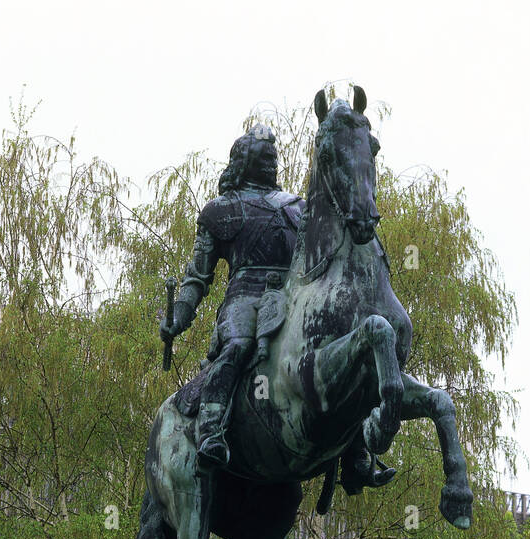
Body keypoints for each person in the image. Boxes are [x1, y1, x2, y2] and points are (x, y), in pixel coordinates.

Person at [161, 123, 393, 493]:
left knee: (342, 353)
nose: (272, 161)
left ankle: (355, 453)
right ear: (243, 161)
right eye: (263, 156)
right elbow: (196, 278)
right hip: (245, 297)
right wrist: (177, 317)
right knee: (237, 347)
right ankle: (211, 427)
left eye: (274, 157)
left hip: (293, 297)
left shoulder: (297, 207)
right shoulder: (220, 211)